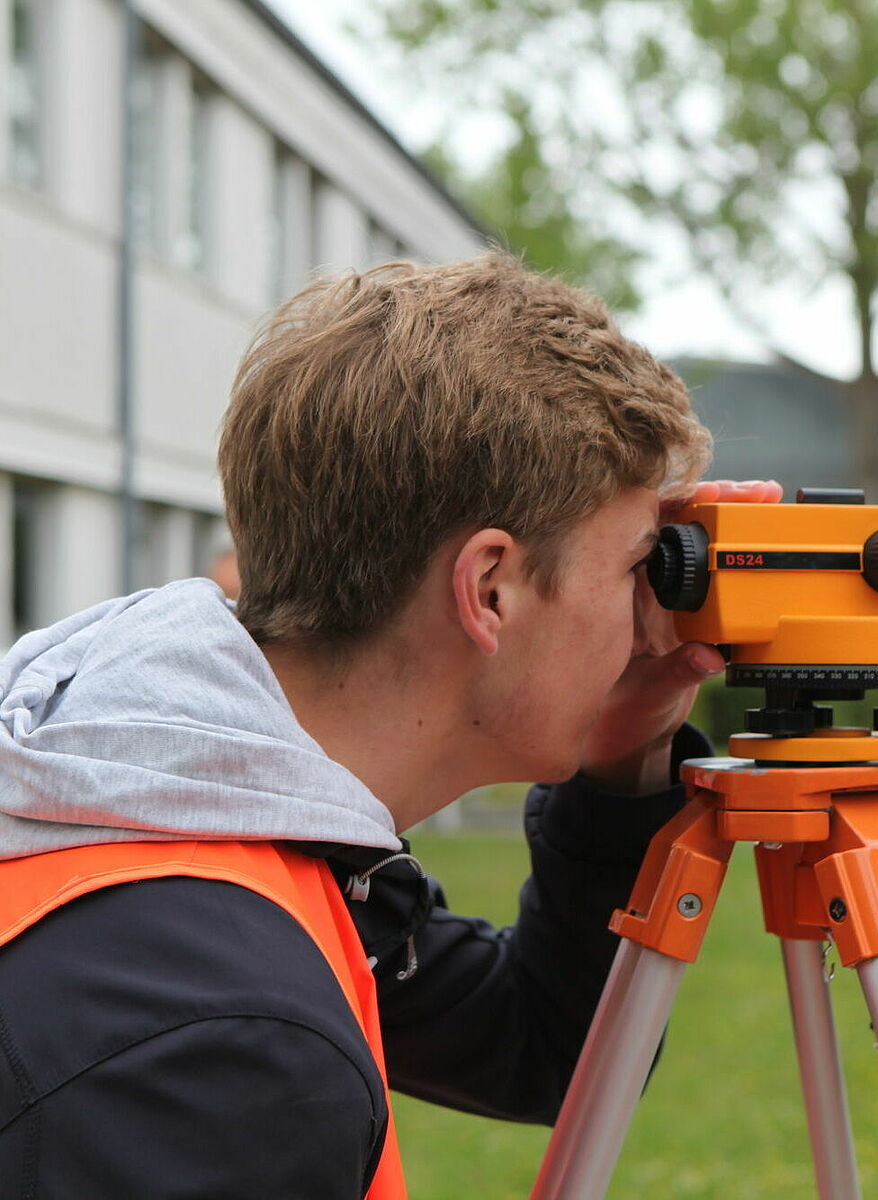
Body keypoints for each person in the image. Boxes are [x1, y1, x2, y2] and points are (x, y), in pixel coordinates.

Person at [0, 252, 780, 1197]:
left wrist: (626, 752)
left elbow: (542, 1048)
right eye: (634, 567)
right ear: (490, 588)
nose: (652, 613)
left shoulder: (173, 806)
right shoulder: (225, 1041)